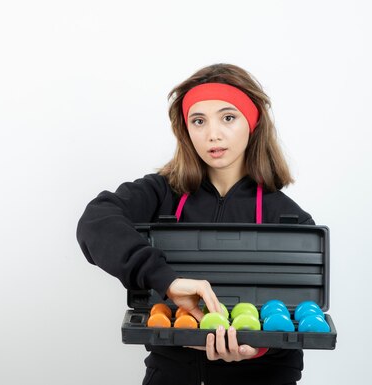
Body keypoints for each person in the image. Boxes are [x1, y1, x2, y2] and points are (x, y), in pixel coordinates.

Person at [76, 63, 315, 385]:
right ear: (186, 130)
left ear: (252, 122)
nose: (213, 134)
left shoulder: (291, 219)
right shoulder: (161, 193)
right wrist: (167, 281)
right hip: (170, 374)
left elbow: (298, 320)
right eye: (198, 121)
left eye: (228, 117)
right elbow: (96, 220)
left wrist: (254, 348)